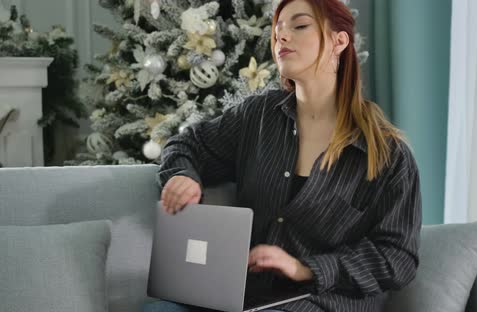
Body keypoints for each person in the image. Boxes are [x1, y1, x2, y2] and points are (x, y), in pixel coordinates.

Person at [144, 0, 422, 311]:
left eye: (299, 26)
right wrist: (183, 175)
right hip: (244, 297)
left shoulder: (387, 155)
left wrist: (305, 268)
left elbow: (399, 257)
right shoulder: (258, 115)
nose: (281, 38)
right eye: (277, 32)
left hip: (324, 302)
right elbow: (187, 145)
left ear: (338, 41)